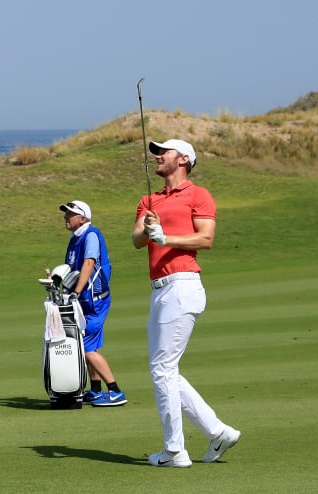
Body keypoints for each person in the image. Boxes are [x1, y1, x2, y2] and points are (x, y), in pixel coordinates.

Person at [131, 138, 241, 468]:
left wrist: (167, 238)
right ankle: (218, 432)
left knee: (162, 369)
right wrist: (148, 228)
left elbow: (205, 238)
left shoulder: (198, 195)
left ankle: (175, 450)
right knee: (166, 370)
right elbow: (137, 241)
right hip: (159, 290)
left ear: (183, 159)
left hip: (182, 285)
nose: (157, 157)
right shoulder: (148, 198)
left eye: (163, 152)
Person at [58, 200, 126, 407]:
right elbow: (71, 269)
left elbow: (89, 263)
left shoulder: (91, 235)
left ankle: (115, 391)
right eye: (66, 213)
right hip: (84, 300)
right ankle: (96, 390)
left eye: (70, 214)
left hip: (95, 300)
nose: (66, 217)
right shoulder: (75, 238)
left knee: (86, 348)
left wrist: (77, 291)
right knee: (88, 346)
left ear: (83, 218)